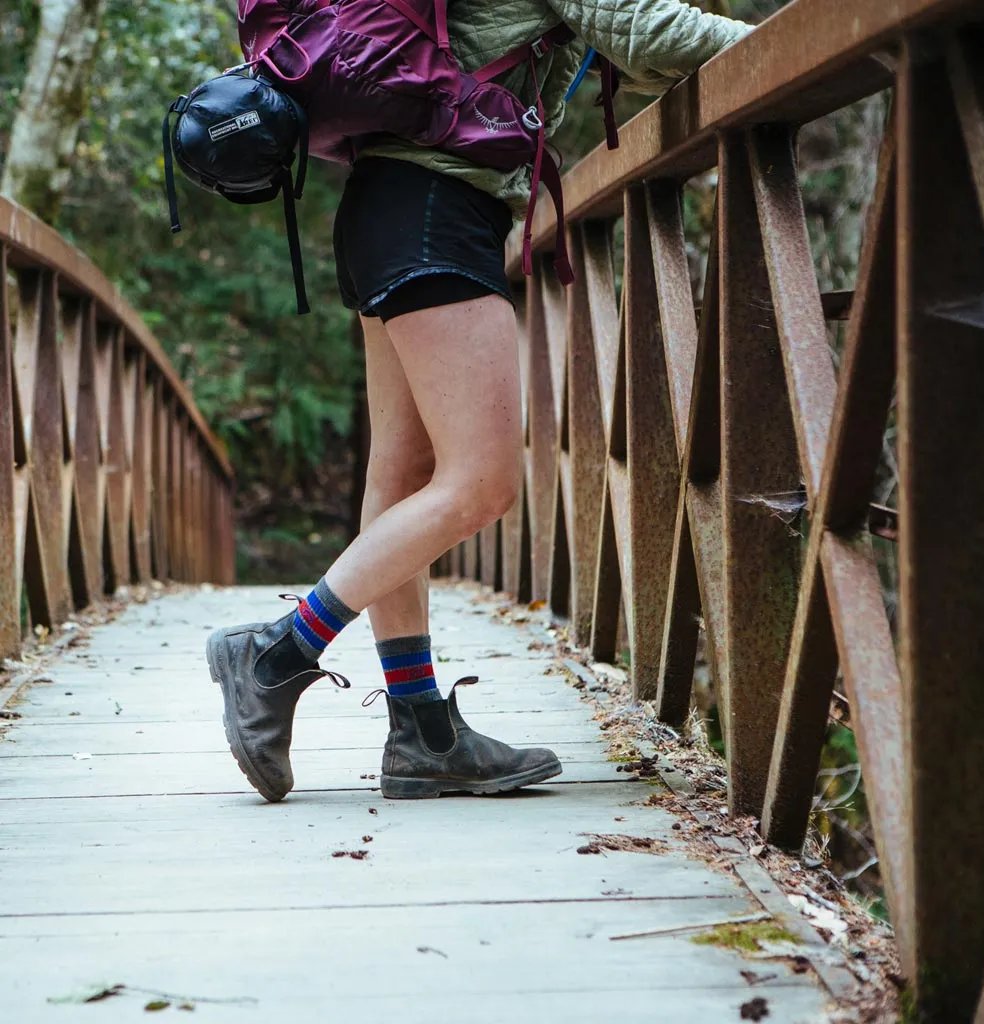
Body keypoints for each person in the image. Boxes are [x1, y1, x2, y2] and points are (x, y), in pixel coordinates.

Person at [207, 0, 751, 803]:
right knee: (483, 481)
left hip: (386, 204)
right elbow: (644, 30)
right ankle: (276, 653)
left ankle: (422, 730)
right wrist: (800, 33)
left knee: (400, 478)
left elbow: (621, 53)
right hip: (437, 210)